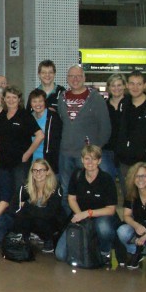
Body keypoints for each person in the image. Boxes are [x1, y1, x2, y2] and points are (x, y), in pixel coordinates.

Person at [54, 144, 118, 264]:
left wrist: (87, 214)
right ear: (82, 160)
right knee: (60, 254)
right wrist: (80, 215)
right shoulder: (77, 175)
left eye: (94, 159)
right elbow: (71, 199)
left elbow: (111, 210)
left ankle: (106, 251)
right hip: (81, 215)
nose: (90, 162)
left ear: (99, 161)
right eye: (87, 158)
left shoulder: (106, 179)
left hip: (101, 217)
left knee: (104, 228)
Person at [57, 65, 111, 195]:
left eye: (79, 76)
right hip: (65, 154)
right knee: (65, 191)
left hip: (87, 155)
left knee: (88, 191)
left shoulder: (95, 98)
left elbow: (105, 127)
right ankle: (68, 216)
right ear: (67, 78)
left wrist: (95, 149)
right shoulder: (62, 98)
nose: (75, 79)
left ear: (84, 78)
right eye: (71, 76)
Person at [0, 86, 44, 206]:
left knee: (20, 193)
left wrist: (27, 154)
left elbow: (40, 136)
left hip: (20, 163)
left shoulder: (25, 116)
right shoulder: (1, 116)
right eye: (8, 97)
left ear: (19, 100)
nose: (11, 100)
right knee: (5, 193)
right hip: (3, 163)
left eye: (14, 97)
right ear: (4, 99)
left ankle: (19, 220)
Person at [12, 159, 66, 253]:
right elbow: (13, 207)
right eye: (35, 170)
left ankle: (48, 240)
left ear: (48, 172)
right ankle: (25, 238)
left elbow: (49, 213)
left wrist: (27, 206)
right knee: (21, 217)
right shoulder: (25, 187)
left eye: (42, 170)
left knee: (38, 218)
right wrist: (30, 210)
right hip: (34, 219)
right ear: (31, 172)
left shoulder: (56, 188)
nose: (38, 173)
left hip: (52, 223)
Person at [28, 88, 62, 173]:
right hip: (33, 159)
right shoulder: (28, 117)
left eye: (40, 101)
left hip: (49, 160)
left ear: (45, 102)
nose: (37, 104)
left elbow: (57, 141)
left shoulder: (53, 117)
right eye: (34, 101)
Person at [102, 73, 127, 180]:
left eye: (119, 85)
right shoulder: (103, 106)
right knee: (107, 185)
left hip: (126, 152)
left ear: (124, 86)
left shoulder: (131, 104)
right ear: (108, 87)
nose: (116, 88)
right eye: (113, 85)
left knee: (127, 187)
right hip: (106, 151)